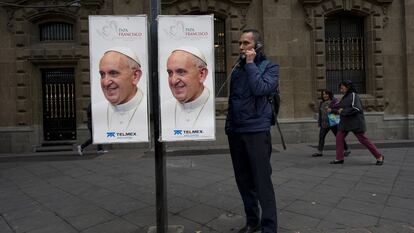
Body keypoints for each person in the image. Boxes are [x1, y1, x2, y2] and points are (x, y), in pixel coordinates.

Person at [225, 29, 278, 233]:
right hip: (236, 130)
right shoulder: (237, 69)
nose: (241, 47)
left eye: (246, 43)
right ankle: (252, 220)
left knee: (262, 180)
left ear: (257, 46)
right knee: (244, 180)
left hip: (256, 130)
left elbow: (260, 89)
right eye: (240, 43)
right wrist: (229, 126)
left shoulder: (270, 67)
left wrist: (250, 64)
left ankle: (269, 226)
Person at [93, 47, 148, 142]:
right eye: (102, 74)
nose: (105, 82)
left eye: (113, 73)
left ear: (135, 76)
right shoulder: (98, 109)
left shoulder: (148, 106)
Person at [330, 80, 385, 165]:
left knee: (363, 140)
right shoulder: (345, 96)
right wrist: (333, 109)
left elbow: (356, 108)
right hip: (345, 123)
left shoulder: (353, 95)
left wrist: (342, 111)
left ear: (348, 87)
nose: (340, 90)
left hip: (355, 122)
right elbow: (340, 107)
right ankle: (339, 158)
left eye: (342, 88)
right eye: (340, 88)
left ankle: (379, 156)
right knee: (339, 138)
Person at [162, 46, 214, 129]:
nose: (173, 81)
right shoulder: (164, 108)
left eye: (181, 72)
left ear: (201, 74)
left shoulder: (213, 105)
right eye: (170, 73)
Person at [312, 89, 351, 157]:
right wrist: (319, 122)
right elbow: (320, 114)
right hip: (324, 123)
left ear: (329, 94)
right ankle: (319, 152)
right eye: (323, 94)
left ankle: (347, 149)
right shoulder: (321, 103)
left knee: (339, 137)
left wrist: (332, 110)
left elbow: (339, 110)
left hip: (333, 122)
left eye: (326, 94)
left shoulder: (334, 101)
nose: (324, 95)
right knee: (321, 137)